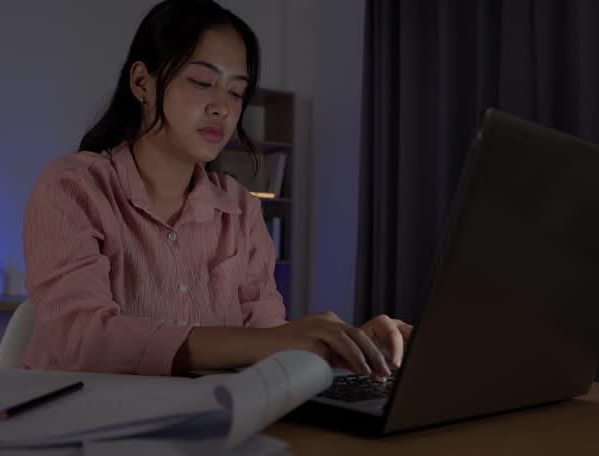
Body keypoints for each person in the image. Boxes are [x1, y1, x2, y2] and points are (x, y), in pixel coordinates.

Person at [22, 0, 412, 380]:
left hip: (206, 428)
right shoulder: (73, 187)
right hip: (81, 426)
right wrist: (272, 343)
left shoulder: (241, 210)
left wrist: (347, 350)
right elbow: (80, 340)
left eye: (236, 92)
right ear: (142, 82)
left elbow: (268, 344)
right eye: (202, 82)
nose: (222, 108)